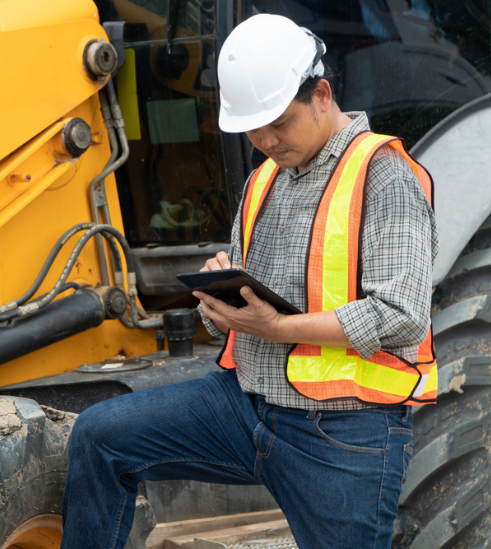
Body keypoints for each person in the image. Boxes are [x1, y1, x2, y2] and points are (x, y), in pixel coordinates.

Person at [60, 14, 439, 549]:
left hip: (343, 432)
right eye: (252, 129)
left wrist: (278, 327)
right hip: (245, 406)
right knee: (98, 438)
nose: (265, 139)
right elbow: (242, 322)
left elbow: (401, 315)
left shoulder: (386, 175)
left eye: (278, 123)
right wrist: (219, 307)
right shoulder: (265, 178)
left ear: (322, 94)